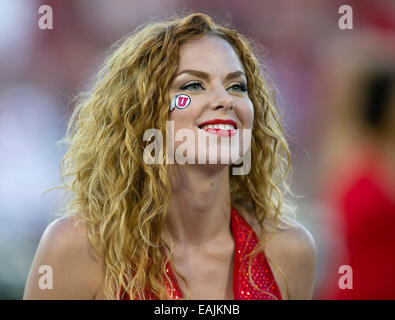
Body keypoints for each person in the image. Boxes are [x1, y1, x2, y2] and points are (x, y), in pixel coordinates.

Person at [23, 13, 316, 300]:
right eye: (193, 85)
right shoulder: (80, 249)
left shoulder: (288, 251)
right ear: (144, 114)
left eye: (236, 86)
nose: (225, 100)